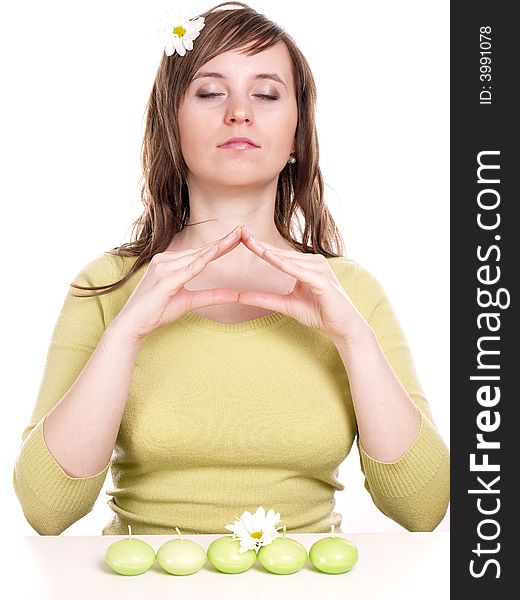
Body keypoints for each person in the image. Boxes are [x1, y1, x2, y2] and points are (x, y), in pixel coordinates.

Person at [12, 2, 449, 536]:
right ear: (172, 123)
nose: (239, 112)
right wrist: (125, 333)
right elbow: (46, 509)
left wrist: (354, 337)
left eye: (266, 94)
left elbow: (422, 508)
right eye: (210, 91)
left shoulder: (352, 292)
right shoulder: (105, 287)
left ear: (297, 134)